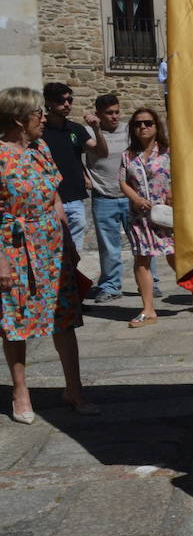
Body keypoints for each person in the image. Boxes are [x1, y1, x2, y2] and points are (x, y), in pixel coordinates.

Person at [0, 88, 97, 422]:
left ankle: (74, 389)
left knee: (64, 317)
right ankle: (20, 392)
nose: (44, 117)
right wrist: (1, 259)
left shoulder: (41, 147)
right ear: (18, 119)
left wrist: (68, 243)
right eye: (37, 112)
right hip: (13, 245)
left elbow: (55, 195)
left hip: (51, 244)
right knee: (15, 322)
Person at [118, 109, 177, 328]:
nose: (143, 127)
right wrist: (134, 198)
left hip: (165, 214)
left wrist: (173, 191)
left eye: (148, 123)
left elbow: (181, 175)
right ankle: (148, 309)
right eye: (137, 124)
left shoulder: (168, 152)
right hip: (140, 217)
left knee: (175, 257)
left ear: (156, 126)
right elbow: (123, 181)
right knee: (141, 259)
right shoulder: (128, 155)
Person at [42, 82, 108, 254]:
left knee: (75, 251)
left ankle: (72, 280)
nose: (66, 104)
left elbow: (100, 151)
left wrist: (97, 129)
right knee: (52, 248)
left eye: (69, 100)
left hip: (75, 197)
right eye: (60, 101)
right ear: (48, 102)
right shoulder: (39, 130)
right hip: (49, 199)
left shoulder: (76, 129)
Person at [85, 93, 135, 301]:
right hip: (104, 196)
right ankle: (111, 286)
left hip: (130, 196)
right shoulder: (88, 133)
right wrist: (85, 178)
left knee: (141, 243)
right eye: (109, 113)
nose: (114, 116)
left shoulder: (129, 130)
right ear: (98, 114)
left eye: (116, 112)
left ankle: (151, 283)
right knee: (109, 247)